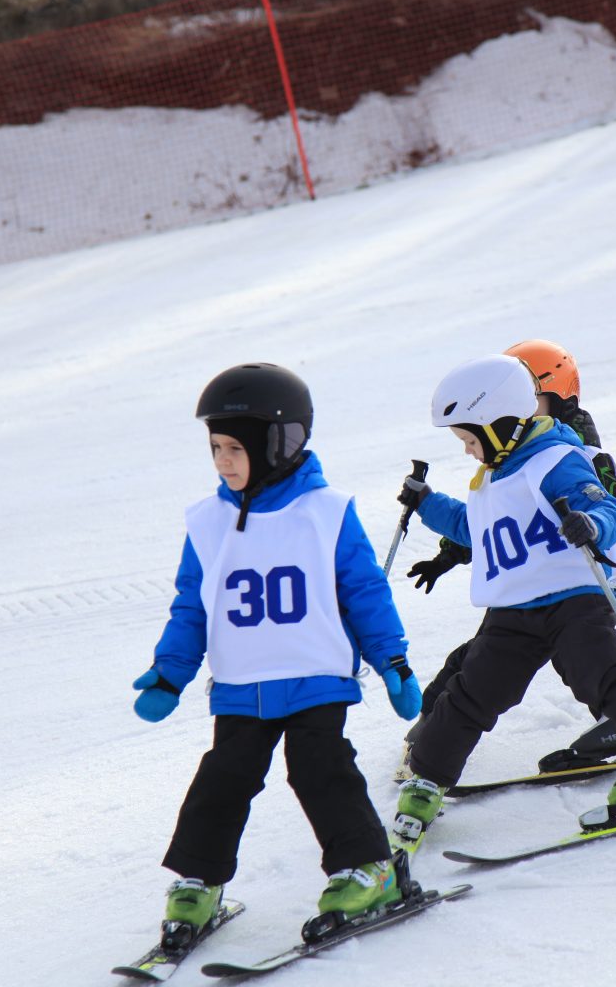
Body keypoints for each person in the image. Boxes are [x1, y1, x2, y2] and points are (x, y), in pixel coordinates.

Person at [130, 362, 425, 944]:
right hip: (242, 685)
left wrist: (393, 662)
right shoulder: (207, 522)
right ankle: (197, 882)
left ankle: (370, 868)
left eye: (235, 448)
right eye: (215, 447)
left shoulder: (326, 512)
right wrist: (170, 672)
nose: (222, 461)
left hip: (316, 676)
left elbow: (364, 591)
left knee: (319, 769)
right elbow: (193, 606)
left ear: (279, 444)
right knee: (222, 778)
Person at [389, 354, 616, 845]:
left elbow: (605, 506)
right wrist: (426, 503)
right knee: (472, 692)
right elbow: (475, 530)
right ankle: (427, 779)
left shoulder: (555, 458)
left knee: (604, 677)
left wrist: (590, 525)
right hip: (513, 610)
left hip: (573, 597)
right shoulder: (493, 475)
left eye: (469, 440)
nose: (468, 451)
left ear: (500, 423)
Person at [397, 339, 616, 776]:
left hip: (587, 569)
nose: (529, 410)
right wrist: (447, 551)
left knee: (583, 658)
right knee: (491, 656)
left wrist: (599, 539)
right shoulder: (508, 456)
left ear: (560, 397)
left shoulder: (571, 452)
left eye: (537, 400)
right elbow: (493, 524)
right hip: (533, 576)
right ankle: (435, 728)